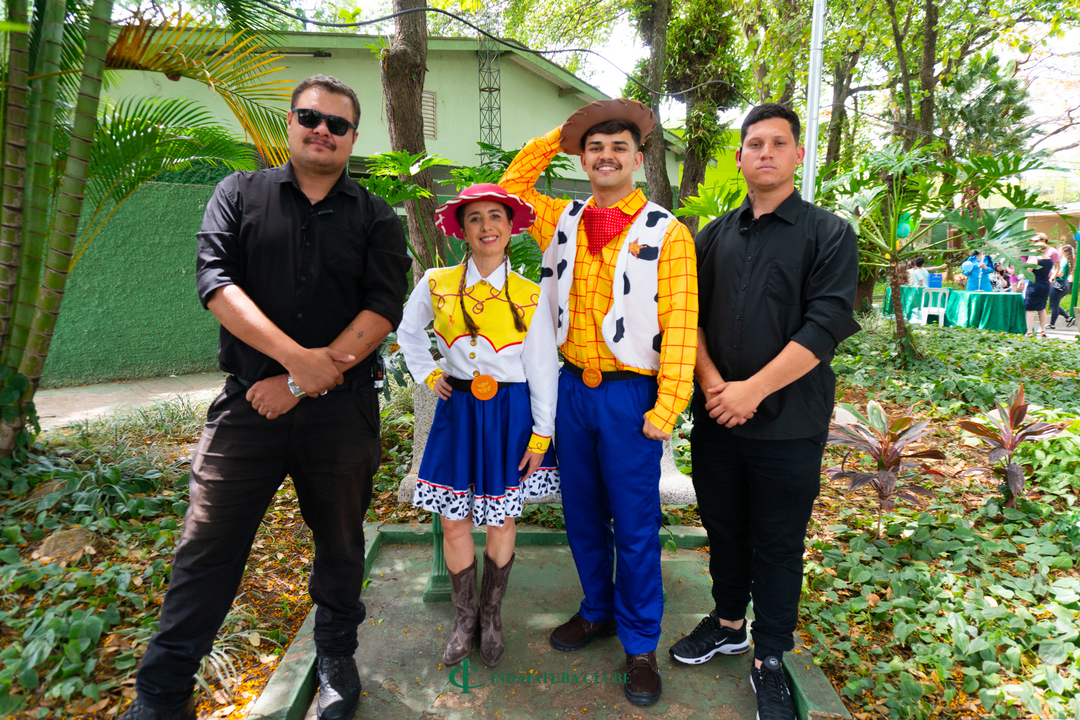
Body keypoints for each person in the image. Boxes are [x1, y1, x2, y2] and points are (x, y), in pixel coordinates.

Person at [119, 75, 411, 720]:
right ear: (290, 122)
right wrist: (294, 363)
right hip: (247, 407)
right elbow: (215, 283)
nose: (322, 130)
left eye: (337, 124)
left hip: (341, 415)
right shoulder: (238, 193)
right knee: (206, 547)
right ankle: (162, 695)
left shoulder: (376, 216)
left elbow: (383, 307)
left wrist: (300, 383)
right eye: (310, 117)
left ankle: (335, 657)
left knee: (341, 542)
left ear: (352, 138)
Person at [500, 98, 698, 706]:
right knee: (581, 514)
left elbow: (682, 326)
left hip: (630, 397)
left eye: (619, 148)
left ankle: (640, 645)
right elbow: (511, 190)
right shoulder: (561, 218)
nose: (606, 156)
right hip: (571, 392)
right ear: (582, 160)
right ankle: (597, 610)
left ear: (638, 160)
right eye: (595, 148)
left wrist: (666, 409)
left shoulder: (667, 233)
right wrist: (559, 134)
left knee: (635, 527)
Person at [673, 103, 859, 720]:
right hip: (717, 419)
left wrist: (751, 390)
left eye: (779, 143)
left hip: (790, 424)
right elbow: (688, 319)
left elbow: (826, 324)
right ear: (740, 157)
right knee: (724, 530)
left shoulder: (828, 234)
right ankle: (729, 623)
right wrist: (715, 386)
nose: (766, 153)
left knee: (778, 544)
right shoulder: (711, 237)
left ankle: (770, 656)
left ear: (798, 155)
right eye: (755, 144)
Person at [397, 184, 559, 668]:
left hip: (509, 414)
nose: (487, 226)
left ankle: (491, 616)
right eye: (475, 218)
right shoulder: (436, 282)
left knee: (502, 518)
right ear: (462, 230)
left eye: (496, 216)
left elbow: (542, 369)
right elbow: (408, 332)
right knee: (453, 521)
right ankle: (464, 618)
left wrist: (541, 433)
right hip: (459, 412)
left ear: (511, 227)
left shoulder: (531, 294)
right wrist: (429, 374)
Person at [1024, 237, 1058, 337]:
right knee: (1042, 308)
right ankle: (1043, 330)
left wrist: (1022, 275)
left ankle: (1029, 331)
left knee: (1030, 308)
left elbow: (1028, 274)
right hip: (1045, 285)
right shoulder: (1049, 260)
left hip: (1034, 285)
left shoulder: (1034, 260)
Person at [1047, 244, 1075, 329]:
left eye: (1059, 249)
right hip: (1064, 285)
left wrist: (1051, 270)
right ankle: (1068, 318)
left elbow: (1060, 273)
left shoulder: (1063, 261)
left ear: (1063, 251)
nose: (1058, 251)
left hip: (1059, 285)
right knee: (1054, 304)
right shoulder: (1067, 261)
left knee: (1053, 305)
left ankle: (1052, 324)